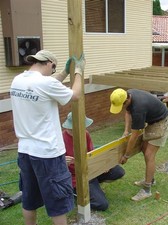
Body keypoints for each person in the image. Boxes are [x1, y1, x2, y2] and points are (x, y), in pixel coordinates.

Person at [10, 50, 85, 225]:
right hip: (48, 153)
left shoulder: (18, 80)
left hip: (25, 151)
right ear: (49, 64)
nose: (54, 72)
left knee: (29, 198)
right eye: (54, 68)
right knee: (57, 201)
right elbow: (75, 95)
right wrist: (78, 72)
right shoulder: (45, 83)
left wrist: (64, 72)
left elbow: (48, 85)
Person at [109, 88, 168, 201]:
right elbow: (128, 112)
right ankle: (150, 179)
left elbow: (134, 136)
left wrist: (126, 156)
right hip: (153, 121)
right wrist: (126, 131)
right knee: (144, 148)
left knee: (149, 154)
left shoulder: (139, 108)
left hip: (162, 121)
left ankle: (147, 189)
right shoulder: (128, 94)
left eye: (122, 105)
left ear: (127, 100)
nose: (123, 108)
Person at [62, 112, 125, 211]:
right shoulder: (61, 139)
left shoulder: (85, 134)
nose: (83, 129)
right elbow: (51, 164)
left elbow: (92, 152)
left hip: (90, 169)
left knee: (118, 171)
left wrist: (103, 165)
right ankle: (77, 193)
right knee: (102, 205)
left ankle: (94, 186)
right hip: (75, 177)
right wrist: (62, 161)